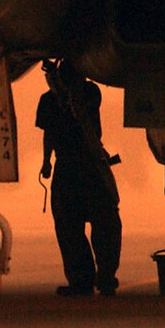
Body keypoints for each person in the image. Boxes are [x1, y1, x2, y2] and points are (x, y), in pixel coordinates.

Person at [36, 61, 122, 296]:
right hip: (72, 166)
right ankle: (85, 280)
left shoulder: (89, 93)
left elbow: (78, 113)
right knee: (70, 227)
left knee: (103, 222)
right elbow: (49, 134)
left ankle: (102, 278)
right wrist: (47, 161)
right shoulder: (49, 101)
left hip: (89, 162)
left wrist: (47, 161)